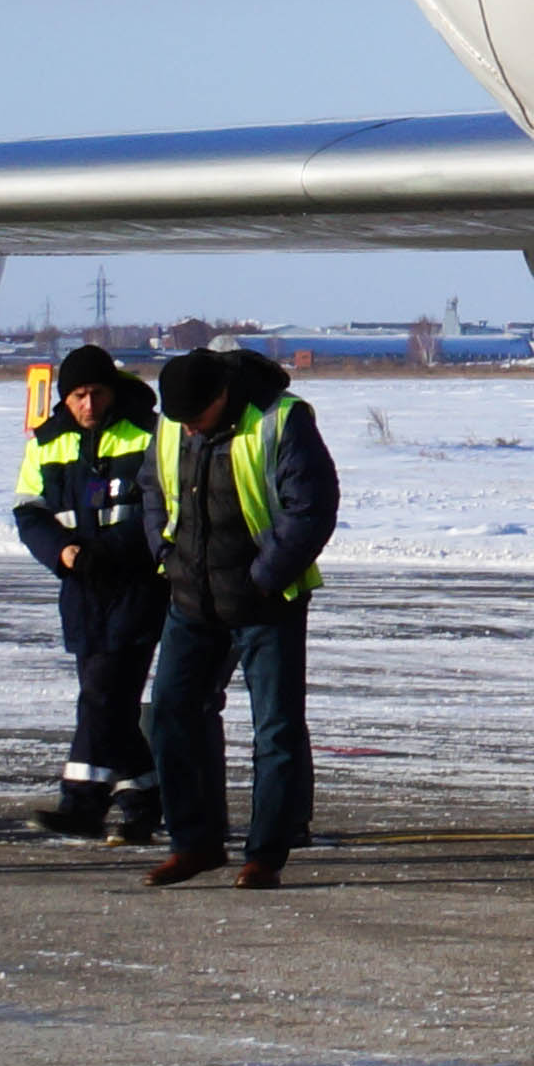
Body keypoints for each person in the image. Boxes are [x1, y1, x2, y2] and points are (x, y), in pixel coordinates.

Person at [142, 344, 338, 889]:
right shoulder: (172, 425)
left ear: (222, 397)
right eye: (181, 423)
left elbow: (313, 507)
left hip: (265, 605)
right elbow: (153, 489)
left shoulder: (281, 419)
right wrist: (166, 557)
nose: (190, 432)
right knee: (171, 716)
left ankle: (265, 854)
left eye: (198, 420)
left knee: (274, 730)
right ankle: (194, 844)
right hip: (191, 601)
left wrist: (266, 576)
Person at [10, 345, 168, 842]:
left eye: (96, 393)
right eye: (78, 395)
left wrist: (110, 551)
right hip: (81, 590)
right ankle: (145, 802)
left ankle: (80, 804)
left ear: (112, 390)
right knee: (111, 704)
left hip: (136, 587)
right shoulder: (47, 442)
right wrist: (61, 552)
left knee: (101, 697)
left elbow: (157, 510)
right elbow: (29, 511)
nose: (88, 404)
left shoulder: (147, 433)